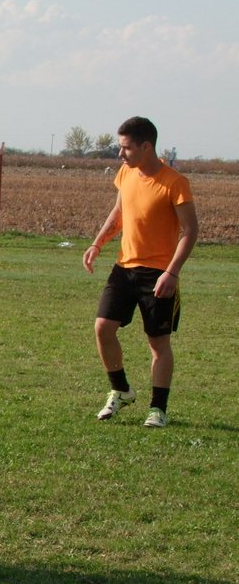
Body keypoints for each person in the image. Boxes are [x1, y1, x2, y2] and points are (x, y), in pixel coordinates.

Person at [83, 116, 199, 428]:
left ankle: (158, 409)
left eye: (126, 148)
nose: (120, 154)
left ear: (146, 146)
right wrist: (97, 243)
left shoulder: (175, 182)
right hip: (124, 268)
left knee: (158, 343)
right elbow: (119, 212)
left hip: (158, 274)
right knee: (103, 327)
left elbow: (190, 231)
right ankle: (121, 390)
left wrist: (172, 273)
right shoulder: (125, 173)